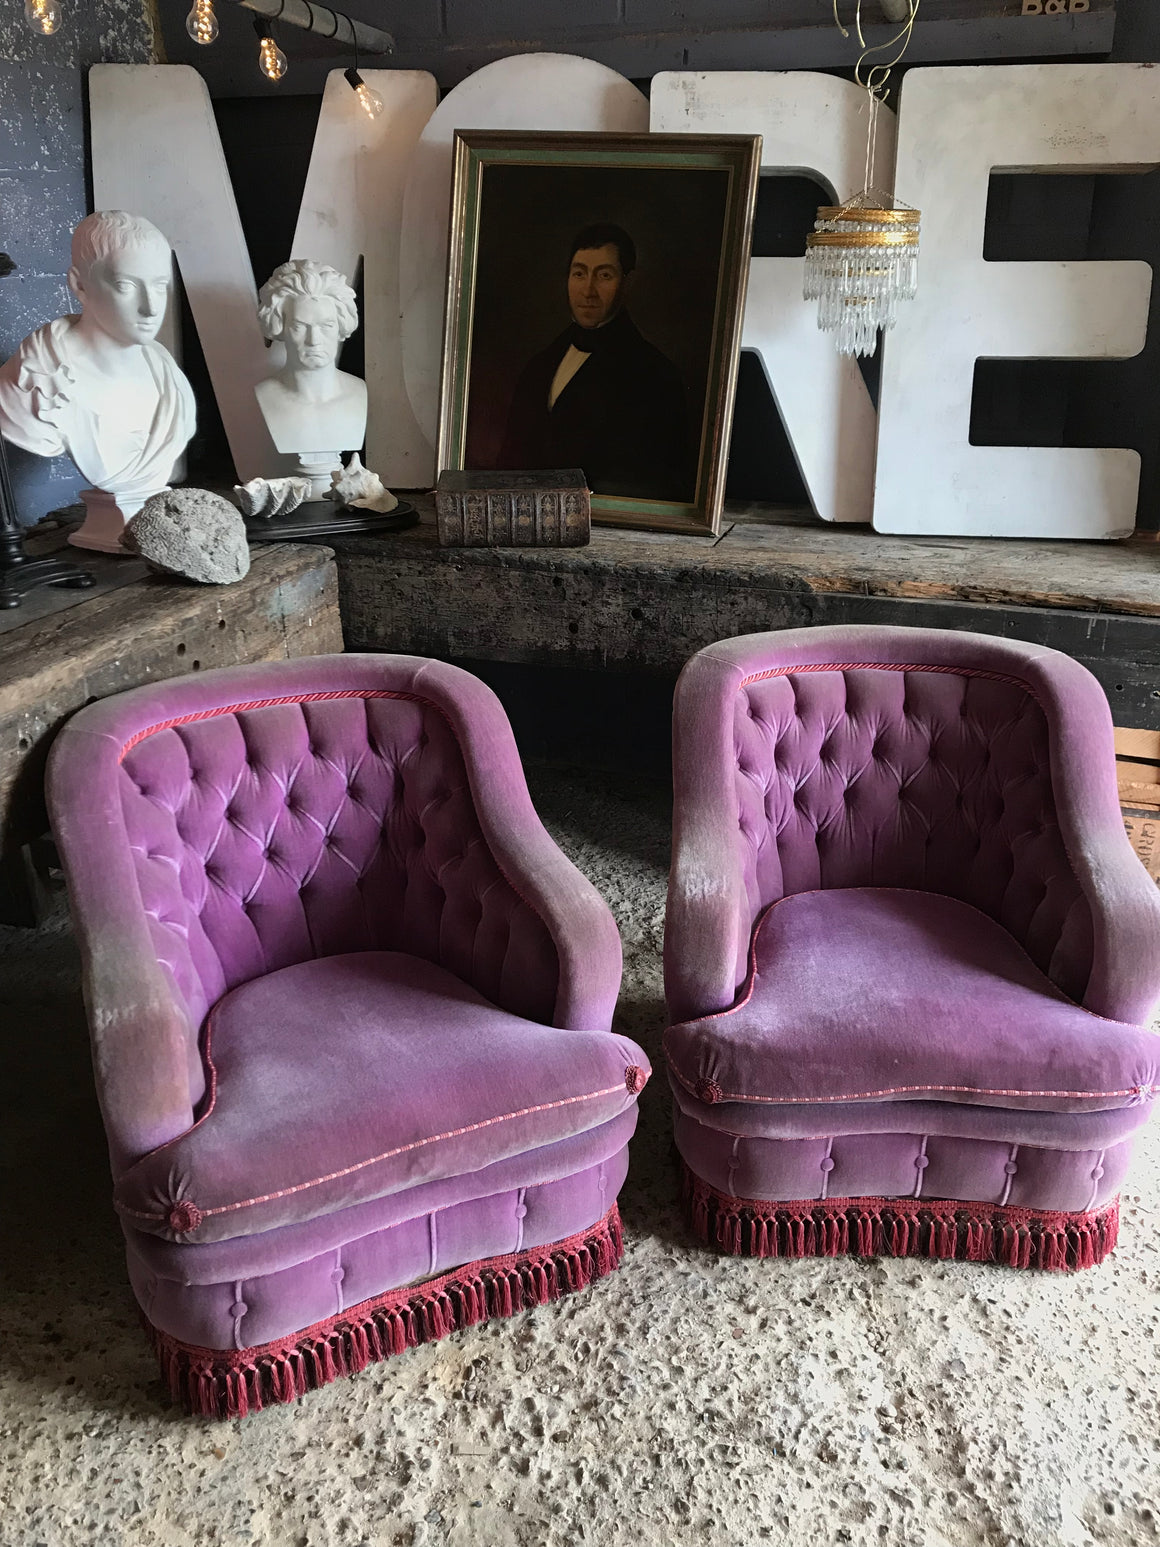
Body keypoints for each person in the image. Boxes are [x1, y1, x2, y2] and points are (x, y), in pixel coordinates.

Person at [0, 210, 196, 551]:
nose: (150, 308)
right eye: (126, 285)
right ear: (79, 284)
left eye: (160, 286)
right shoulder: (34, 379)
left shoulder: (168, 376)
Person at [497, 223, 693, 502]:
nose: (588, 290)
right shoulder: (540, 365)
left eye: (604, 275)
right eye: (579, 274)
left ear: (628, 282)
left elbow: (653, 484)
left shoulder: (657, 376)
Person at [255, 259, 366, 496]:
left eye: (326, 325)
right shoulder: (265, 394)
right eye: (299, 326)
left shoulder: (359, 392)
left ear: (341, 327)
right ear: (280, 327)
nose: (313, 340)